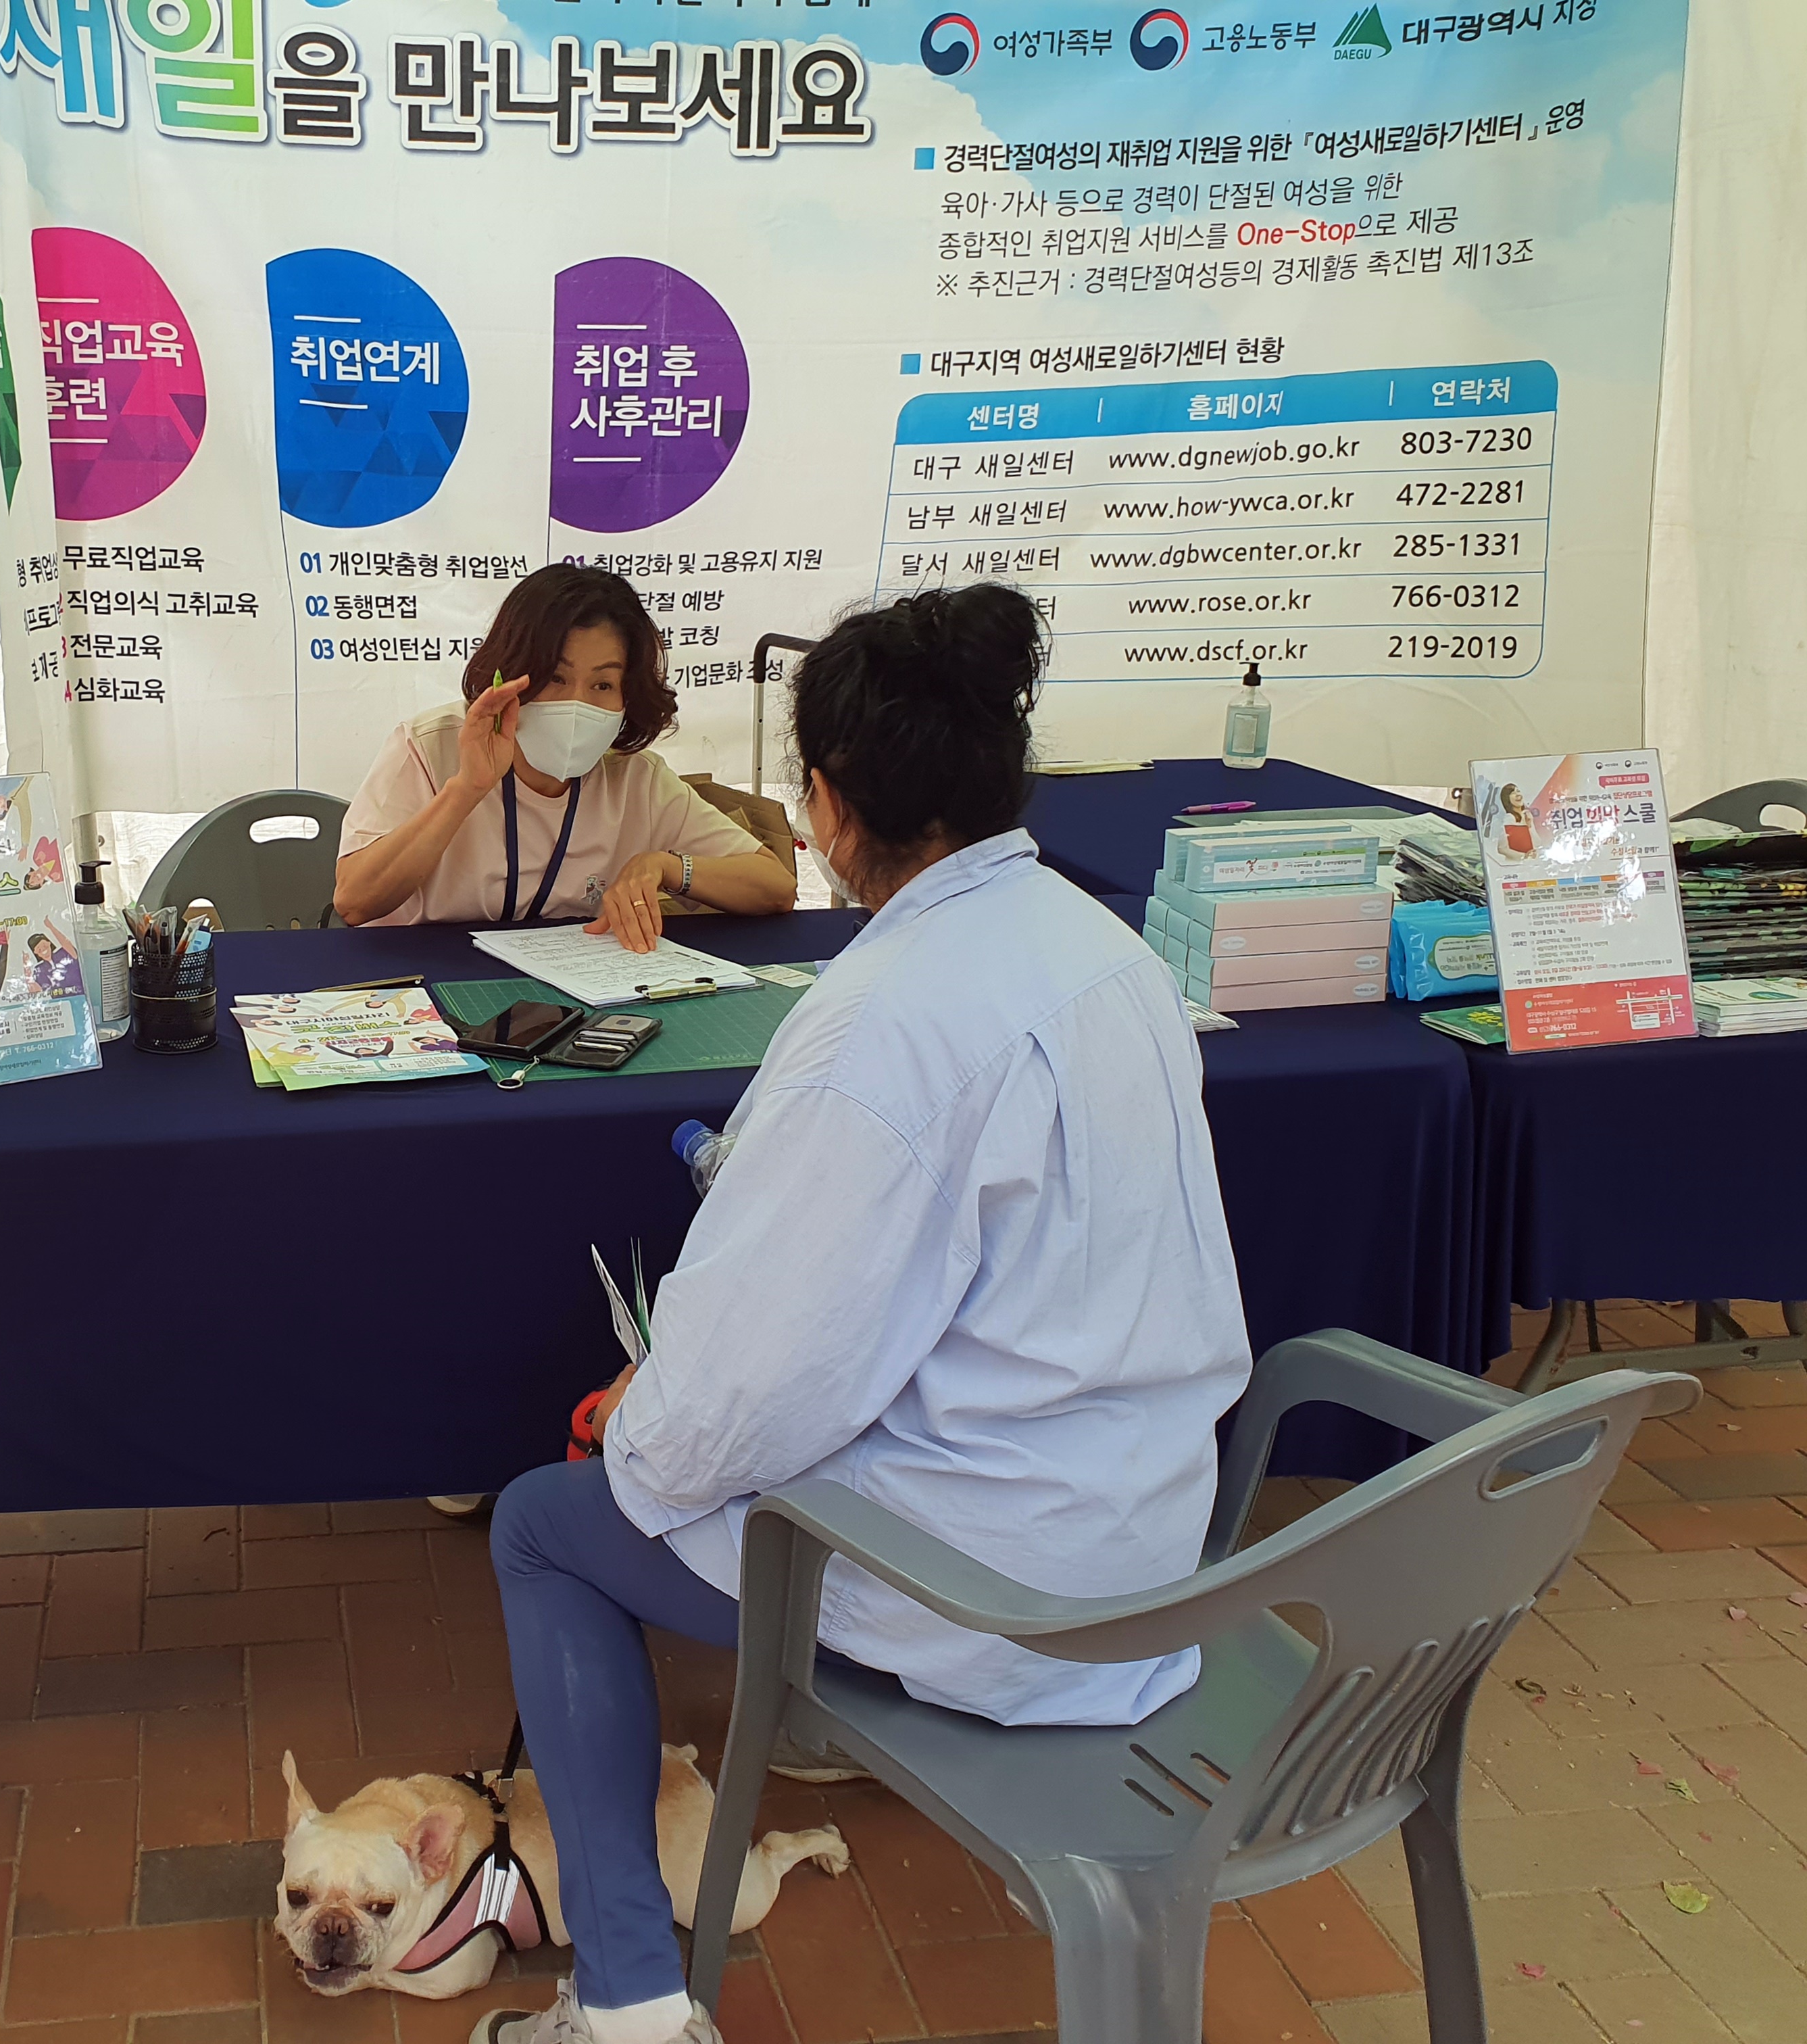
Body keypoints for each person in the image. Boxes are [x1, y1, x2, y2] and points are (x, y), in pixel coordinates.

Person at [468, 585, 1251, 2044]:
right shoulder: (1111, 952)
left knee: (546, 1523)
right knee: (678, 1448)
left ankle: (629, 2004)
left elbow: (748, 1393)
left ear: (824, 806)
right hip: (1149, 1535)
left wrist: (642, 1425)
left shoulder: (880, 1024)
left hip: (995, 1587)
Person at [331, 564, 795, 950]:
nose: (578, 704)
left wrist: (667, 867)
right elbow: (355, 902)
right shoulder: (428, 744)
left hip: (564, 991)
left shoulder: (634, 777)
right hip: (420, 977)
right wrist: (466, 789)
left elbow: (775, 888)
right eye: (556, 678)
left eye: (603, 685)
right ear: (514, 674)